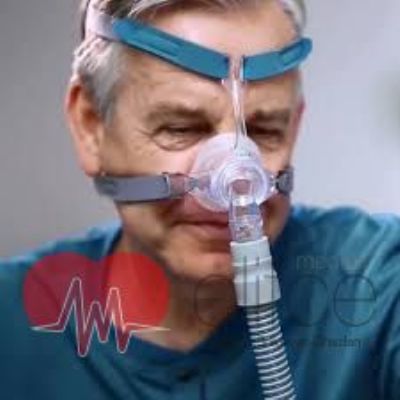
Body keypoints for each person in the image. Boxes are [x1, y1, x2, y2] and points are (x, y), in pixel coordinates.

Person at [1, 0, 400, 399]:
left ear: (294, 129)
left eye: (263, 132)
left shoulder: (378, 285)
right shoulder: (14, 325)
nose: (234, 180)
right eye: (181, 128)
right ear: (91, 127)